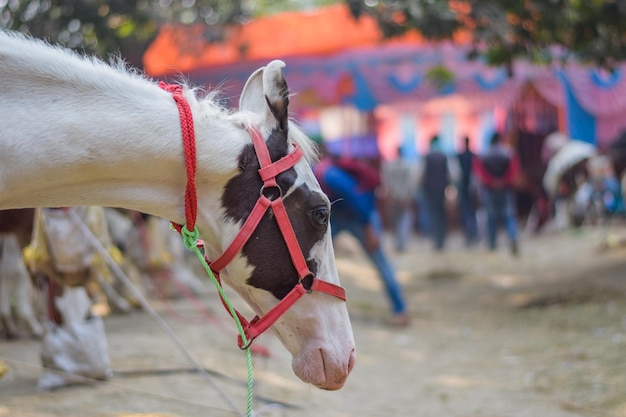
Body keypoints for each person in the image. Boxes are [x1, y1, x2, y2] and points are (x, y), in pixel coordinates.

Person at [314, 152, 409, 326]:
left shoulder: (327, 175)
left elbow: (355, 198)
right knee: (317, 258)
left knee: (380, 261)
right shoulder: (319, 173)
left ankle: (400, 310)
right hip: (338, 216)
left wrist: (369, 228)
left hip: (360, 216)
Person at [473, 132, 520, 255]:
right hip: (505, 189)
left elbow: (479, 172)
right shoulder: (508, 153)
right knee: (509, 216)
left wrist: (492, 182)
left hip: (489, 190)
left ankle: (492, 243)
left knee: (491, 217)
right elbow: (514, 170)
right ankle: (512, 238)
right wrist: (503, 181)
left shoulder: (484, 155)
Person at [417, 135, 459, 251]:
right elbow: (454, 175)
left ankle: (436, 240)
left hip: (429, 191)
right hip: (442, 190)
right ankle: (441, 240)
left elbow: (419, 175)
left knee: (432, 215)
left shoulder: (426, 158)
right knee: (441, 216)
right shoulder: (445, 157)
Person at [381, 146, 418, 252]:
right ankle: (403, 243)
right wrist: (408, 196)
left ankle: (398, 243)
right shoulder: (407, 166)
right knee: (404, 220)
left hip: (393, 197)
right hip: (405, 197)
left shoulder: (390, 166)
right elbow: (411, 183)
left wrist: (392, 195)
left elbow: (387, 182)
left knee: (395, 221)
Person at [456, 136, 479, 246]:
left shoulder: (459, 156)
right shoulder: (473, 156)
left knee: (466, 212)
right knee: (472, 212)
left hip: (464, 188)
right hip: (472, 188)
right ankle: (474, 234)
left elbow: (457, 174)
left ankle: (469, 235)